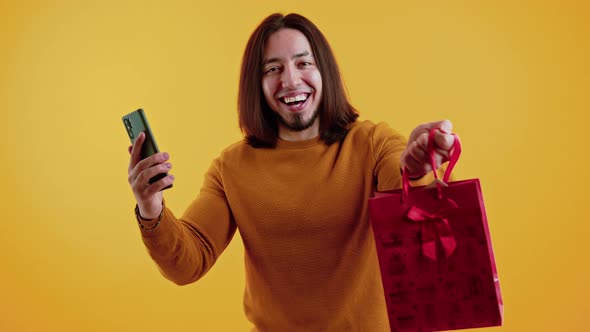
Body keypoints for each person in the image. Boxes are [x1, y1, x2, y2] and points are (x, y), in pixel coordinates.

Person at [126, 13, 455, 331]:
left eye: (304, 63)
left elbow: (411, 204)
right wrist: (150, 205)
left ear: (323, 70)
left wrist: (416, 168)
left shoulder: (372, 143)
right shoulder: (231, 167)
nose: (291, 80)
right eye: (273, 69)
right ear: (257, 83)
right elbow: (187, 264)